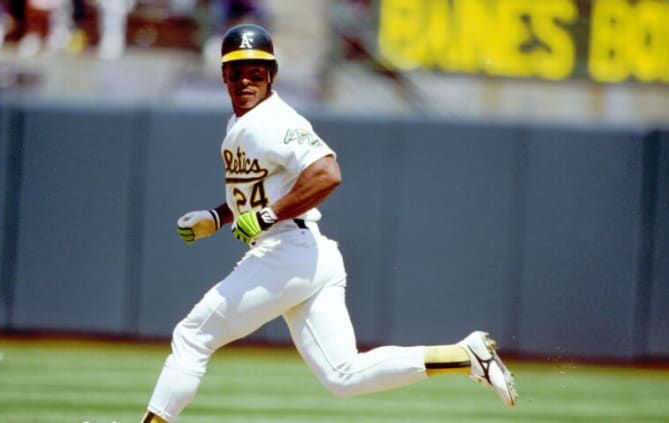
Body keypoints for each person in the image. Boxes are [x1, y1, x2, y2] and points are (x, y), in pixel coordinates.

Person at [141, 23, 518, 423]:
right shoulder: (241, 122)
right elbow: (262, 192)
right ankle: (465, 355)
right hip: (310, 256)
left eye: (256, 71)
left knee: (193, 336)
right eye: (237, 72)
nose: (246, 79)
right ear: (224, 76)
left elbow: (327, 173)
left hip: (286, 252)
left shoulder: (275, 120)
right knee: (344, 376)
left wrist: (267, 216)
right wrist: (218, 216)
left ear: (271, 74)